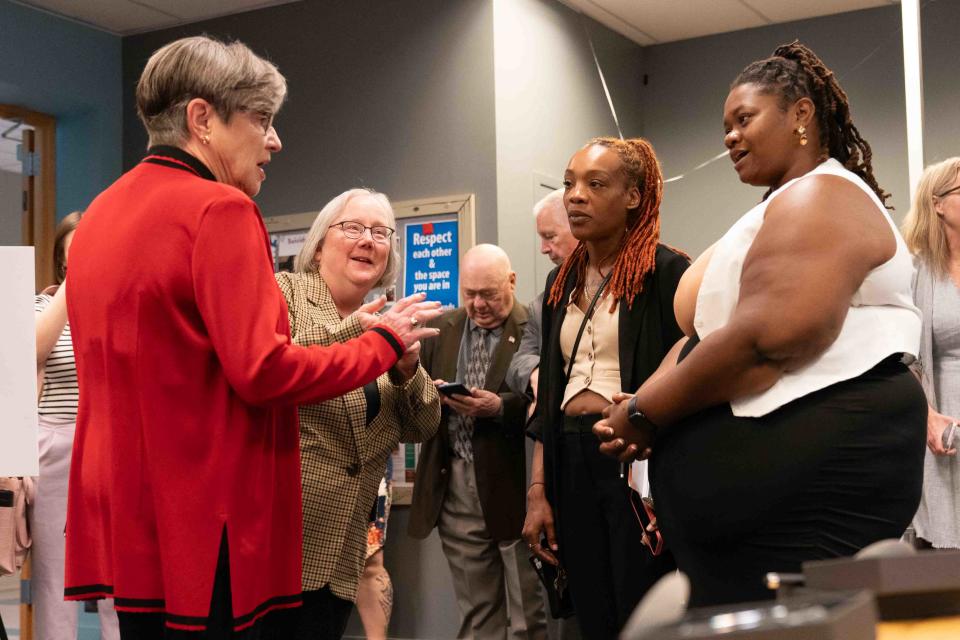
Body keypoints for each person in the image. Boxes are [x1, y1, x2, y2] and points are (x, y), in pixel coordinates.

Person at [63, 36, 440, 639]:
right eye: (262, 120)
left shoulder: (101, 213)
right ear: (202, 119)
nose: (274, 140)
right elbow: (264, 370)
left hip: (127, 511)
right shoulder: (221, 210)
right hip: (210, 519)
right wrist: (384, 343)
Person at [594, 42, 926, 607]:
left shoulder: (824, 195)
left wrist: (648, 413)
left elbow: (765, 343)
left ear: (801, 114)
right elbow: (709, 338)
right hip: (746, 537)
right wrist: (656, 406)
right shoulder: (785, 202)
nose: (729, 136)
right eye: (725, 125)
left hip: (809, 503)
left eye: (744, 118)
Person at [522, 137, 686, 639]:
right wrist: (538, 491)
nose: (575, 196)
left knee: (641, 604)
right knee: (590, 608)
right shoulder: (559, 285)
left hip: (636, 456)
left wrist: (670, 489)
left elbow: (691, 382)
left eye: (595, 184)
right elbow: (549, 395)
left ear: (634, 196)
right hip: (570, 454)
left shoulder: (667, 273)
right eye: (570, 183)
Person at [274, 188, 441, 639]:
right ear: (319, 243)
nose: (368, 240)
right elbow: (275, 368)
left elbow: (424, 425)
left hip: (343, 552)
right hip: (279, 541)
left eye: (380, 232)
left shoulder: (391, 319)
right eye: (353, 228)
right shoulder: (283, 293)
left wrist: (408, 370)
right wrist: (363, 336)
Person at [409, 244, 546, 640]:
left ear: (512, 282)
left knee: (527, 617)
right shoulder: (442, 329)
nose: (478, 304)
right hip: (456, 489)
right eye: (469, 293)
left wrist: (499, 408)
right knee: (478, 616)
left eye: (488, 293)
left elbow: (549, 403)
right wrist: (427, 392)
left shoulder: (534, 327)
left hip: (516, 489)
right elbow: (411, 400)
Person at [32, 212, 119, 640]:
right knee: (55, 577)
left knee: (119, 583)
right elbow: (31, 350)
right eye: (78, 250)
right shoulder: (43, 304)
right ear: (63, 260)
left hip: (113, 447)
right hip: (57, 442)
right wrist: (73, 287)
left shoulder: (122, 304)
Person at [902, 157, 960, 549]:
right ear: (937, 203)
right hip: (944, 417)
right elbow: (899, 358)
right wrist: (925, 415)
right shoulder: (914, 272)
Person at [505, 189, 579, 406]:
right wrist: (536, 373)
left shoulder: (625, 288)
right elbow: (519, 361)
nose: (543, 249)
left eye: (550, 236)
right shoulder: (542, 304)